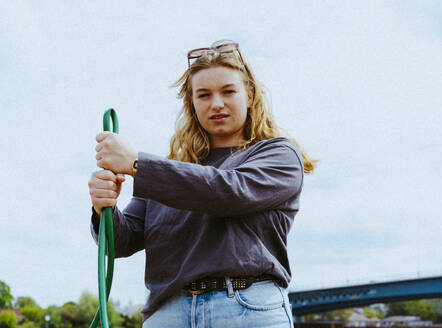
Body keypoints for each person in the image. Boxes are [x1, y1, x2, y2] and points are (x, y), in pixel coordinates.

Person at [88, 39, 316, 328]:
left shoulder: (279, 153)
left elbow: (228, 192)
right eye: (204, 95)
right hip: (167, 314)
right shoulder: (165, 174)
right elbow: (122, 242)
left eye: (228, 91)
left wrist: (136, 164)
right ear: (192, 103)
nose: (216, 103)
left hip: (247, 310)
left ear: (250, 95)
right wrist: (102, 208)